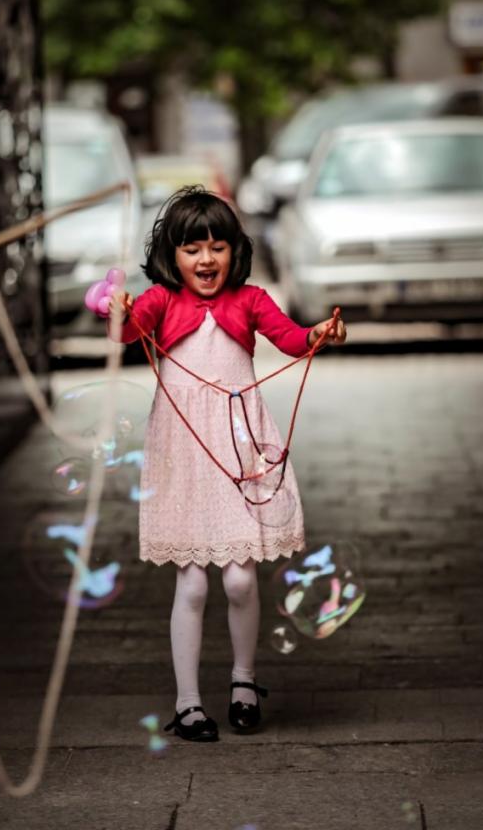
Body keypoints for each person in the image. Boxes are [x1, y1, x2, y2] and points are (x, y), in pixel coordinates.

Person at [107, 186, 346, 742]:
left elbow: (290, 338)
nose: (206, 259)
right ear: (172, 254)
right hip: (184, 452)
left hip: (240, 449)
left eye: (218, 247)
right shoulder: (161, 301)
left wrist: (319, 334)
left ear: (236, 251)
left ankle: (243, 681)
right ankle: (188, 704)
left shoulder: (251, 299)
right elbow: (126, 332)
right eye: (193, 249)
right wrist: (116, 310)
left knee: (240, 580)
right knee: (191, 587)